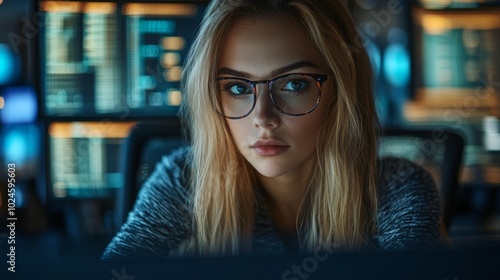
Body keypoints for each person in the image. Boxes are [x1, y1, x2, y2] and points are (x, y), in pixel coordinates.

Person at [102, 0, 441, 259]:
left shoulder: (396, 188)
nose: (264, 117)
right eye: (237, 87)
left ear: (342, 91)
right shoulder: (185, 179)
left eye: (294, 84)